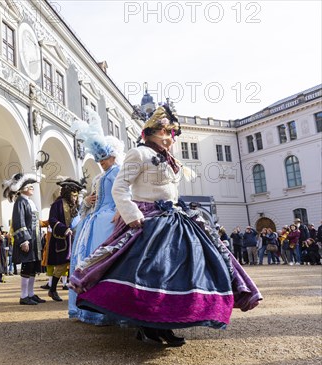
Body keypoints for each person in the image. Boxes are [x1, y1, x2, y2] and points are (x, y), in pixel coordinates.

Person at [70, 105, 262, 346]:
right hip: (148, 220)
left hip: (173, 217)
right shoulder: (137, 154)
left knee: (182, 271)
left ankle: (167, 323)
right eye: (167, 133)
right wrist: (133, 215)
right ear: (153, 132)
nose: (171, 139)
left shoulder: (168, 158)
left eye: (171, 134)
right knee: (152, 273)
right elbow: (120, 188)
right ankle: (147, 327)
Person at [68, 110, 124, 324]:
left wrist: (121, 211)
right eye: (99, 158)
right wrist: (87, 201)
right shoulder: (100, 176)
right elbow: (93, 201)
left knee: (102, 261)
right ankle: (85, 307)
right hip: (93, 221)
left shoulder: (118, 172)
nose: (102, 161)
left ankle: (105, 310)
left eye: (105, 157)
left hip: (108, 221)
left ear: (113, 155)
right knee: (86, 260)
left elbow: (123, 194)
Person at [3, 172, 45, 306]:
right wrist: (23, 240)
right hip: (27, 240)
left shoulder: (29, 202)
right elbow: (18, 222)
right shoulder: (20, 202)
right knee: (26, 267)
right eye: (30, 186)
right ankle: (23, 296)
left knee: (32, 267)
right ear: (23, 188)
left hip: (35, 240)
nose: (32, 188)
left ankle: (31, 294)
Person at [46, 178, 84, 302]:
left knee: (78, 264)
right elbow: (52, 220)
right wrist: (63, 229)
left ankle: (77, 291)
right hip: (63, 239)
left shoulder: (76, 206)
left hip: (76, 238)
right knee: (62, 265)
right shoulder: (57, 204)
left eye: (76, 196)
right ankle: (52, 289)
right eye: (73, 195)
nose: (75, 198)